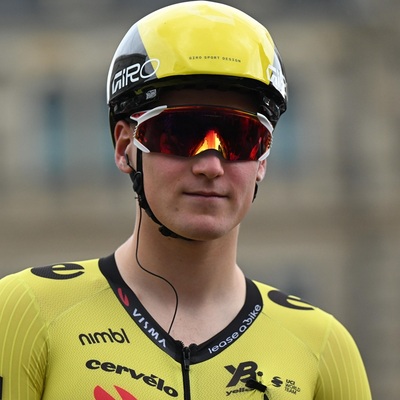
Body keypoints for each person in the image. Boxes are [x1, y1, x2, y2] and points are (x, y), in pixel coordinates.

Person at [0, 2, 371, 399]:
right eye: (178, 133)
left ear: (263, 158)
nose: (210, 164)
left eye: (241, 137)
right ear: (125, 147)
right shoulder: (25, 310)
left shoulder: (324, 346)